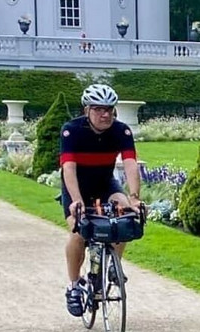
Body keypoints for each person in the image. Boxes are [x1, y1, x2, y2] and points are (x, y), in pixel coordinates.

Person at [61, 83, 142, 316]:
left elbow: (130, 164)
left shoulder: (121, 131)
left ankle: (112, 264)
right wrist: (76, 201)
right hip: (77, 186)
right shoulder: (72, 130)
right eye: (98, 109)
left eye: (109, 109)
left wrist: (134, 197)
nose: (105, 114)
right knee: (78, 230)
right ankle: (74, 285)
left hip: (105, 183)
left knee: (125, 214)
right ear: (87, 110)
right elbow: (68, 168)